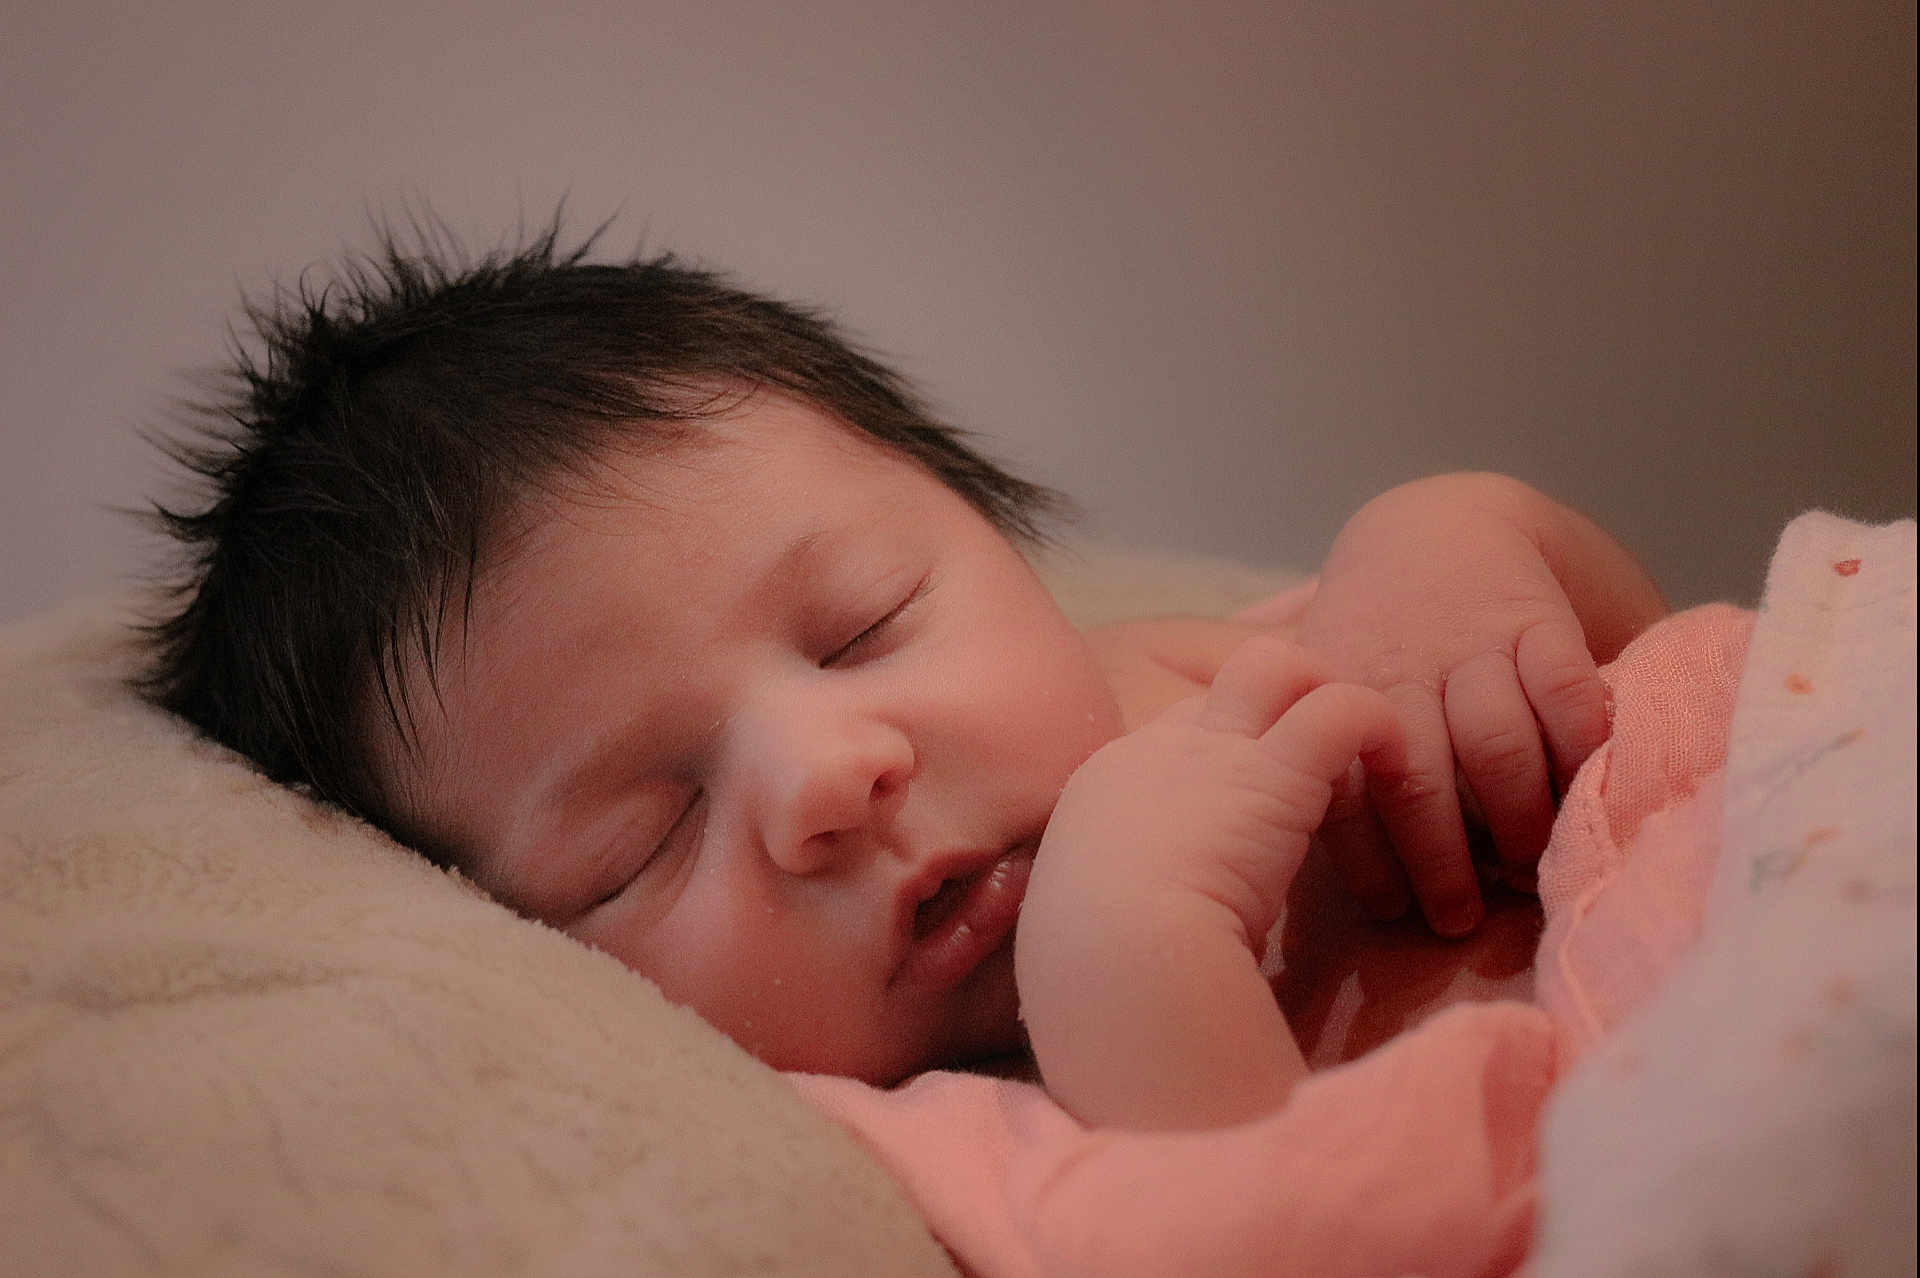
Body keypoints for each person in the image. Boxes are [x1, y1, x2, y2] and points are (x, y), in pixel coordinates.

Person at [141, 222, 1667, 1127]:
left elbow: (1651, 689)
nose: (827, 775)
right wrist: (1129, 972)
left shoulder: (1215, 671)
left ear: (1005, 544)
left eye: (864, 624)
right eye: (642, 839)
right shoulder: (896, 1136)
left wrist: (1444, 535)